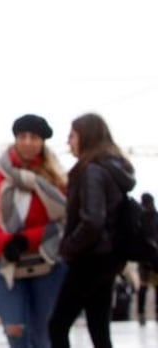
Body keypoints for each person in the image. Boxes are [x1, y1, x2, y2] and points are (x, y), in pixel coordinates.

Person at [0, 113, 68, 348]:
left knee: (43, 333)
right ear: (15, 139)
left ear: (42, 141)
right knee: (15, 330)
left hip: (47, 260)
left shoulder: (56, 179)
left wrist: (25, 240)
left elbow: (64, 220)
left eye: (33, 137)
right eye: (22, 136)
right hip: (7, 261)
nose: (27, 142)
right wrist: (5, 243)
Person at [49, 113, 136, 348]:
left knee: (57, 325)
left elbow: (92, 221)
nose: (68, 142)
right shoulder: (113, 168)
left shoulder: (91, 171)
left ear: (85, 137)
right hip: (110, 257)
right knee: (99, 328)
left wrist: (68, 247)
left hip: (89, 258)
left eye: (72, 136)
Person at [138, 193, 158, 325]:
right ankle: (141, 313)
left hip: (154, 258)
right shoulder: (142, 217)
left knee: (154, 288)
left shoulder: (145, 217)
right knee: (144, 287)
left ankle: (148, 313)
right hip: (146, 257)